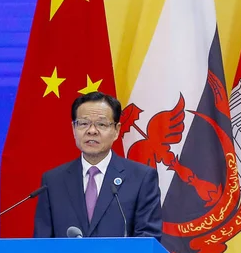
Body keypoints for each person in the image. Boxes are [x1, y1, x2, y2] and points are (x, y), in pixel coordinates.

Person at [34, 91, 162, 239]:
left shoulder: (141, 178)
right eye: (83, 123)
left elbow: (148, 239)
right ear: (73, 129)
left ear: (116, 131)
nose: (92, 131)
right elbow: (42, 243)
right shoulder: (53, 181)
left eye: (101, 124)